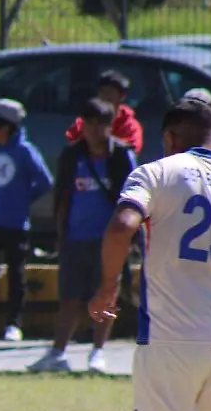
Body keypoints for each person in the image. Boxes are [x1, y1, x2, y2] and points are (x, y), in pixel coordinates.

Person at [87, 97, 211, 411]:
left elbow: (123, 224)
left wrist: (106, 286)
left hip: (170, 339)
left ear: (168, 137)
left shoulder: (157, 171)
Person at [29, 98, 137, 374]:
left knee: (106, 296)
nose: (93, 130)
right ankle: (57, 352)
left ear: (108, 126)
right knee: (70, 298)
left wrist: (130, 239)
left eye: (99, 124)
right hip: (76, 238)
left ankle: (98, 351)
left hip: (108, 242)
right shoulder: (72, 156)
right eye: (88, 123)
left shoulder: (121, 156)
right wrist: (61, 233)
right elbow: (62, 197)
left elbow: (131, 200)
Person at [0, 99, 53, 342]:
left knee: (16, 276)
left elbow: (45, 181)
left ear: (6, 127)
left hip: (16, 225)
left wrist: (24, 199)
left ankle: (14, 323)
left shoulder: (25, 151)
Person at [65, 69, 143, 155]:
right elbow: (72, 143)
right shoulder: (85, 120)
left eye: (110, 92)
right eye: (102, 91)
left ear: (122, 97)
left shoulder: (130, 126)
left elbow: (131, 152)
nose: (105, 96)